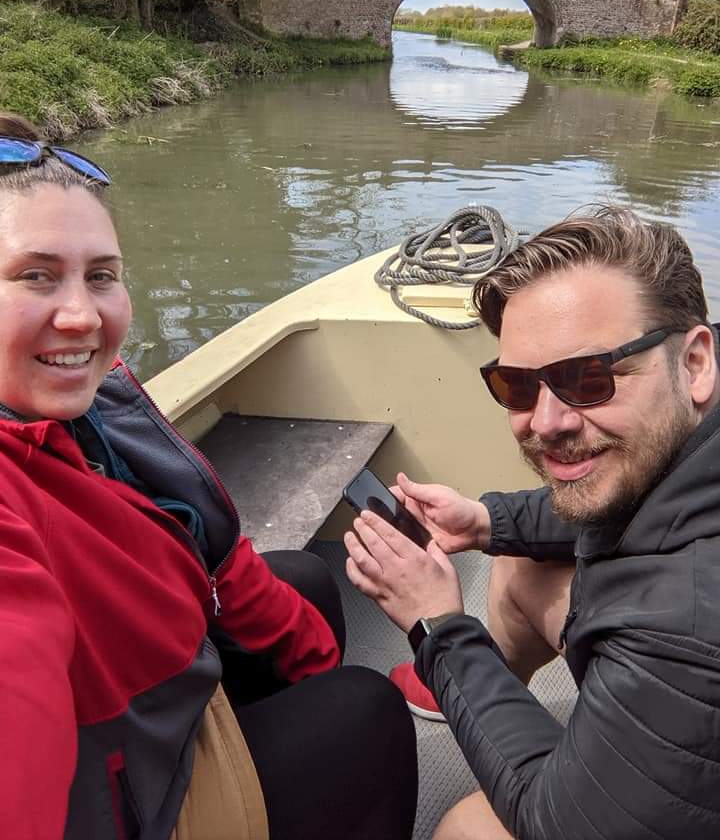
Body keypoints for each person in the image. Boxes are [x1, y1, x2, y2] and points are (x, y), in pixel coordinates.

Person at [0, 112, 418, 840]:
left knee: (305, 585)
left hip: (147, 702)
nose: (81, 317)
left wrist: (311, 665)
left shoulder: (93, 406)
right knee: (365, 710)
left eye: (101, 277)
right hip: (121, 800)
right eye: (35, 276)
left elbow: (215, 552)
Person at [345, 205, 720, 839]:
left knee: (466, 828)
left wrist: (436, 626)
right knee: (518, 564)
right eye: (518, 386)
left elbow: (555, 825)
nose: (545, 422)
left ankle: (465, 680)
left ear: (694, 362)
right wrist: (486, 520)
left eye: (588, 377)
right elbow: (626, 500)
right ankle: (473, 687)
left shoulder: (684, 639)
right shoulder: (685, 439)